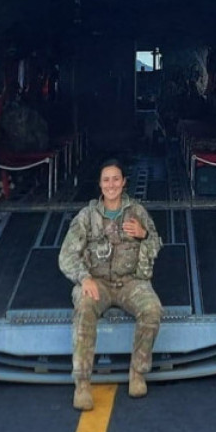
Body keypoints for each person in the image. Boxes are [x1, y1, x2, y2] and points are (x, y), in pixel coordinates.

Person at [58, 159, 163, 411]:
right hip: (98, 283)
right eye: (106, 180)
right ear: (100, 184)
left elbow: (157, 244)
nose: (111, 184)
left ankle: (137, 373)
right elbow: (66, 256)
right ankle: (82, 384)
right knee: (84, 308)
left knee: (152, 309)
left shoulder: (137, 212)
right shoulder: (87, 217)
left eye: (116, 179)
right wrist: (85, 279)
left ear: (124, 182)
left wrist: (144, 235)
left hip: (131, 282)